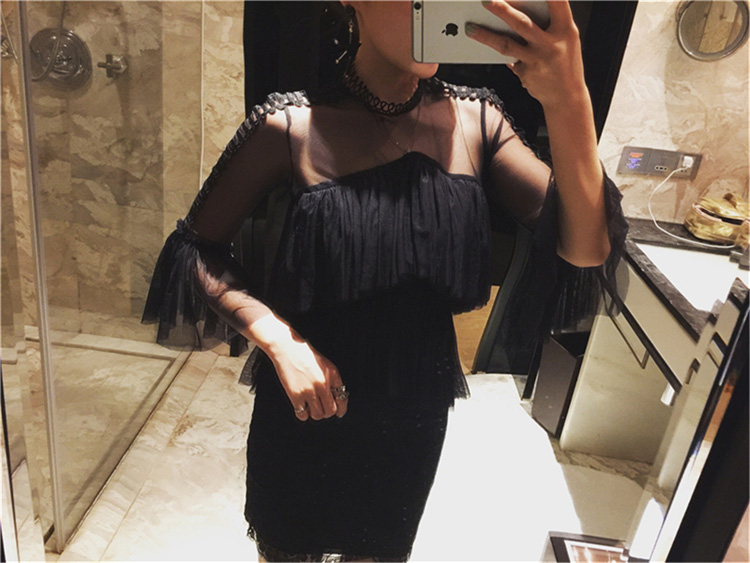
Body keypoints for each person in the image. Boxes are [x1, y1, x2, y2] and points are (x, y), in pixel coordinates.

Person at [142, 1, 627, 561]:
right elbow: (192, 250)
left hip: (412, 421)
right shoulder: (291, 124)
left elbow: (587, 247)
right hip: (305, 405)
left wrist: (569, 98)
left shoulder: (479, 122)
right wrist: (278, 341)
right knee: (286, 548)